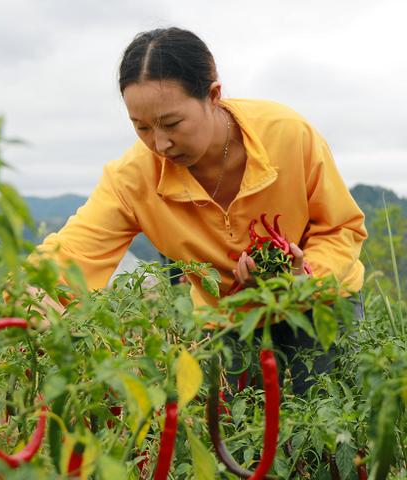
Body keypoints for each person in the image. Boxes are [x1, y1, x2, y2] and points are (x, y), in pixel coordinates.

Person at [35, 27, 367, 393]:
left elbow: (340, 228)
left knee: (333, 422)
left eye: (172, 123)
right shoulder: (133, 179)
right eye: (141, 127)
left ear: (212, 96)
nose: (159, 143)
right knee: (241, 439)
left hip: (321, 300)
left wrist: (305, 279)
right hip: (227, 317)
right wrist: (28, 293)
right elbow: (72, 252)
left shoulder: (287, 135)